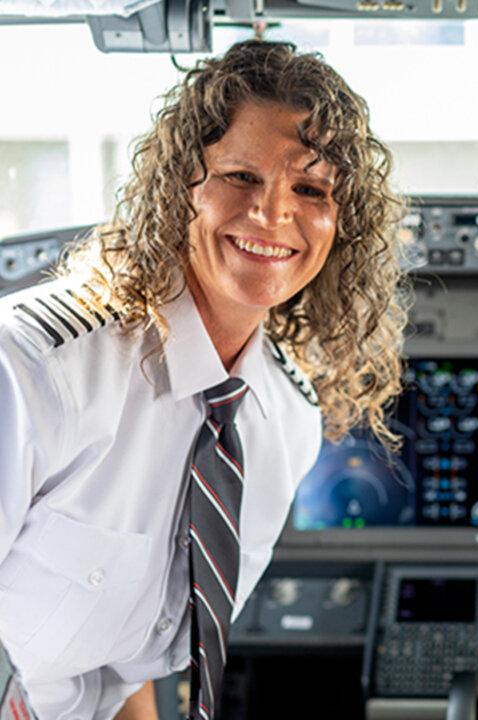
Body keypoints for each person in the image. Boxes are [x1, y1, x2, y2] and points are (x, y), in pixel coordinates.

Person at [0, 40, 408, 719]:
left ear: (341, 225)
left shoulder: (285, 421)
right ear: (181, 183)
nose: (274, 215)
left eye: (311, 190)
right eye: (242, 177)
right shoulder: (30, 370)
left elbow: (122, 660)